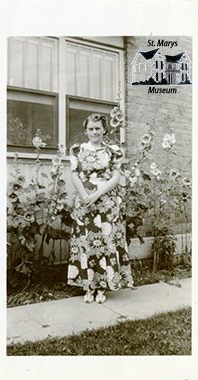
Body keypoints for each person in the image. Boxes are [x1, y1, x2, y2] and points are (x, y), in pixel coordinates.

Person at [67, 113, 134, 303]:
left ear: (104, 130)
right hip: (85, 202)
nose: (94, 132)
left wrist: (97, 194)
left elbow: (115, 177)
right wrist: (85, 196)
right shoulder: (78, 150)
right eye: (91, 128)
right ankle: (89, 287)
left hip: (106, 203)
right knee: (87, 243)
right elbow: (74, 175)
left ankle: (103, 287)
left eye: (98, 128)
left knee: (106, 242)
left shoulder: (112, 151)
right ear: (86, 130)